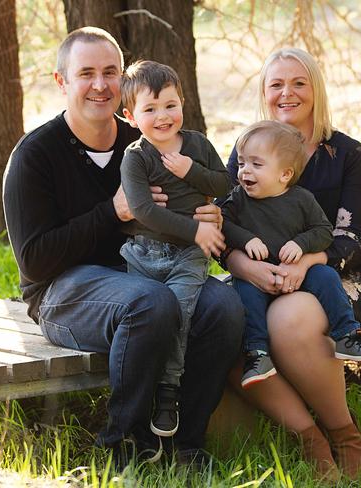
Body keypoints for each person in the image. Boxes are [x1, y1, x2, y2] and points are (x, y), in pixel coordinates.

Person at [2, 26, 244, 468]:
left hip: (143, 272)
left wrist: (205, 216)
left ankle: (184, 444)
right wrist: (112, 212)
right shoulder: (34, 156)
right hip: (62, 293)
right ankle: (122, 447)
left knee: (223, 306)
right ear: (63, 82)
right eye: (86, 73)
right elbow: (35, 262)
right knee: (150, 303)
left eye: (110, 72)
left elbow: (195, 198)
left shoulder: (148, 138)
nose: (100, 84)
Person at [224, 47, 361, 480]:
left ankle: (345, 434)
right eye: (276, 84)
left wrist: (306, 262)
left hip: (335, 277)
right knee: (221, 322)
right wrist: (245, 267)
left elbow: (355, 236)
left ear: (315, 90)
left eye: (298, 83)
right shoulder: (248, 149)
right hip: (259, 277)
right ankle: (310, 439)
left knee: (290, 320)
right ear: (265, 92)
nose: (286, 93)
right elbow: (224, 224)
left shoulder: (345, 153)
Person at [220, 120, 361, 390]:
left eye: (256, 165)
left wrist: (301, 244)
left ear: (284, 174)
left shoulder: (301, 199)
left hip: (298, 270)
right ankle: (257, 354)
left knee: (326, 276)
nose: (245, 170)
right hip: (259, 275)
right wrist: (246, 239)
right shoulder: (237, 199)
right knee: (244, 294)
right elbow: (222, 224)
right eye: (243, 163)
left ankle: (349, 335)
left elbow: (324, 231)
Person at [118, 60, 231, 437]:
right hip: (143, 253)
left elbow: (225, 183)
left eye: (170, 105)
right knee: (148, 318)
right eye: (150, 109)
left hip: (187, 256)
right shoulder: (135, 157)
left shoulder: (197, 144)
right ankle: (140, 394)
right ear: (131, 117)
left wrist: (190, 172)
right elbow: (143, 210)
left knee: (180, 315)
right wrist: (196, 229)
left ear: (183, 102)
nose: (163, 116)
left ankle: (168, 393)